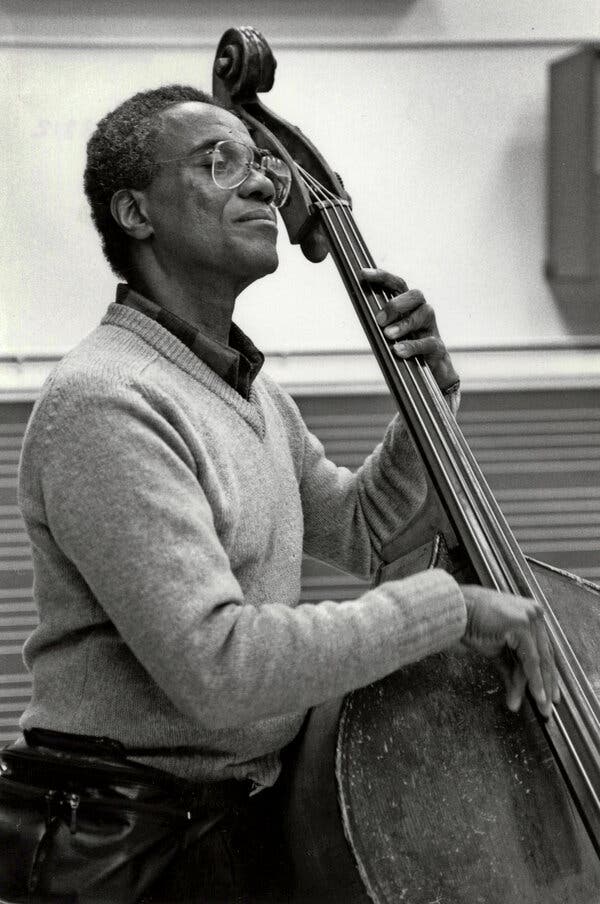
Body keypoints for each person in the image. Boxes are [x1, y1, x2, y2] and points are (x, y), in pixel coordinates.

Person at [0, 85, 557, 903]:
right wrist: (457, 608)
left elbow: (367, 531)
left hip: (241, 823)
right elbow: (219, 669)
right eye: (216, 161)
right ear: (135, 211)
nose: (264, 183)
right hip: (133, 851)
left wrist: (427, 395)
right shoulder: (108, 401)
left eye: (259, 162)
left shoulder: (253, 396)